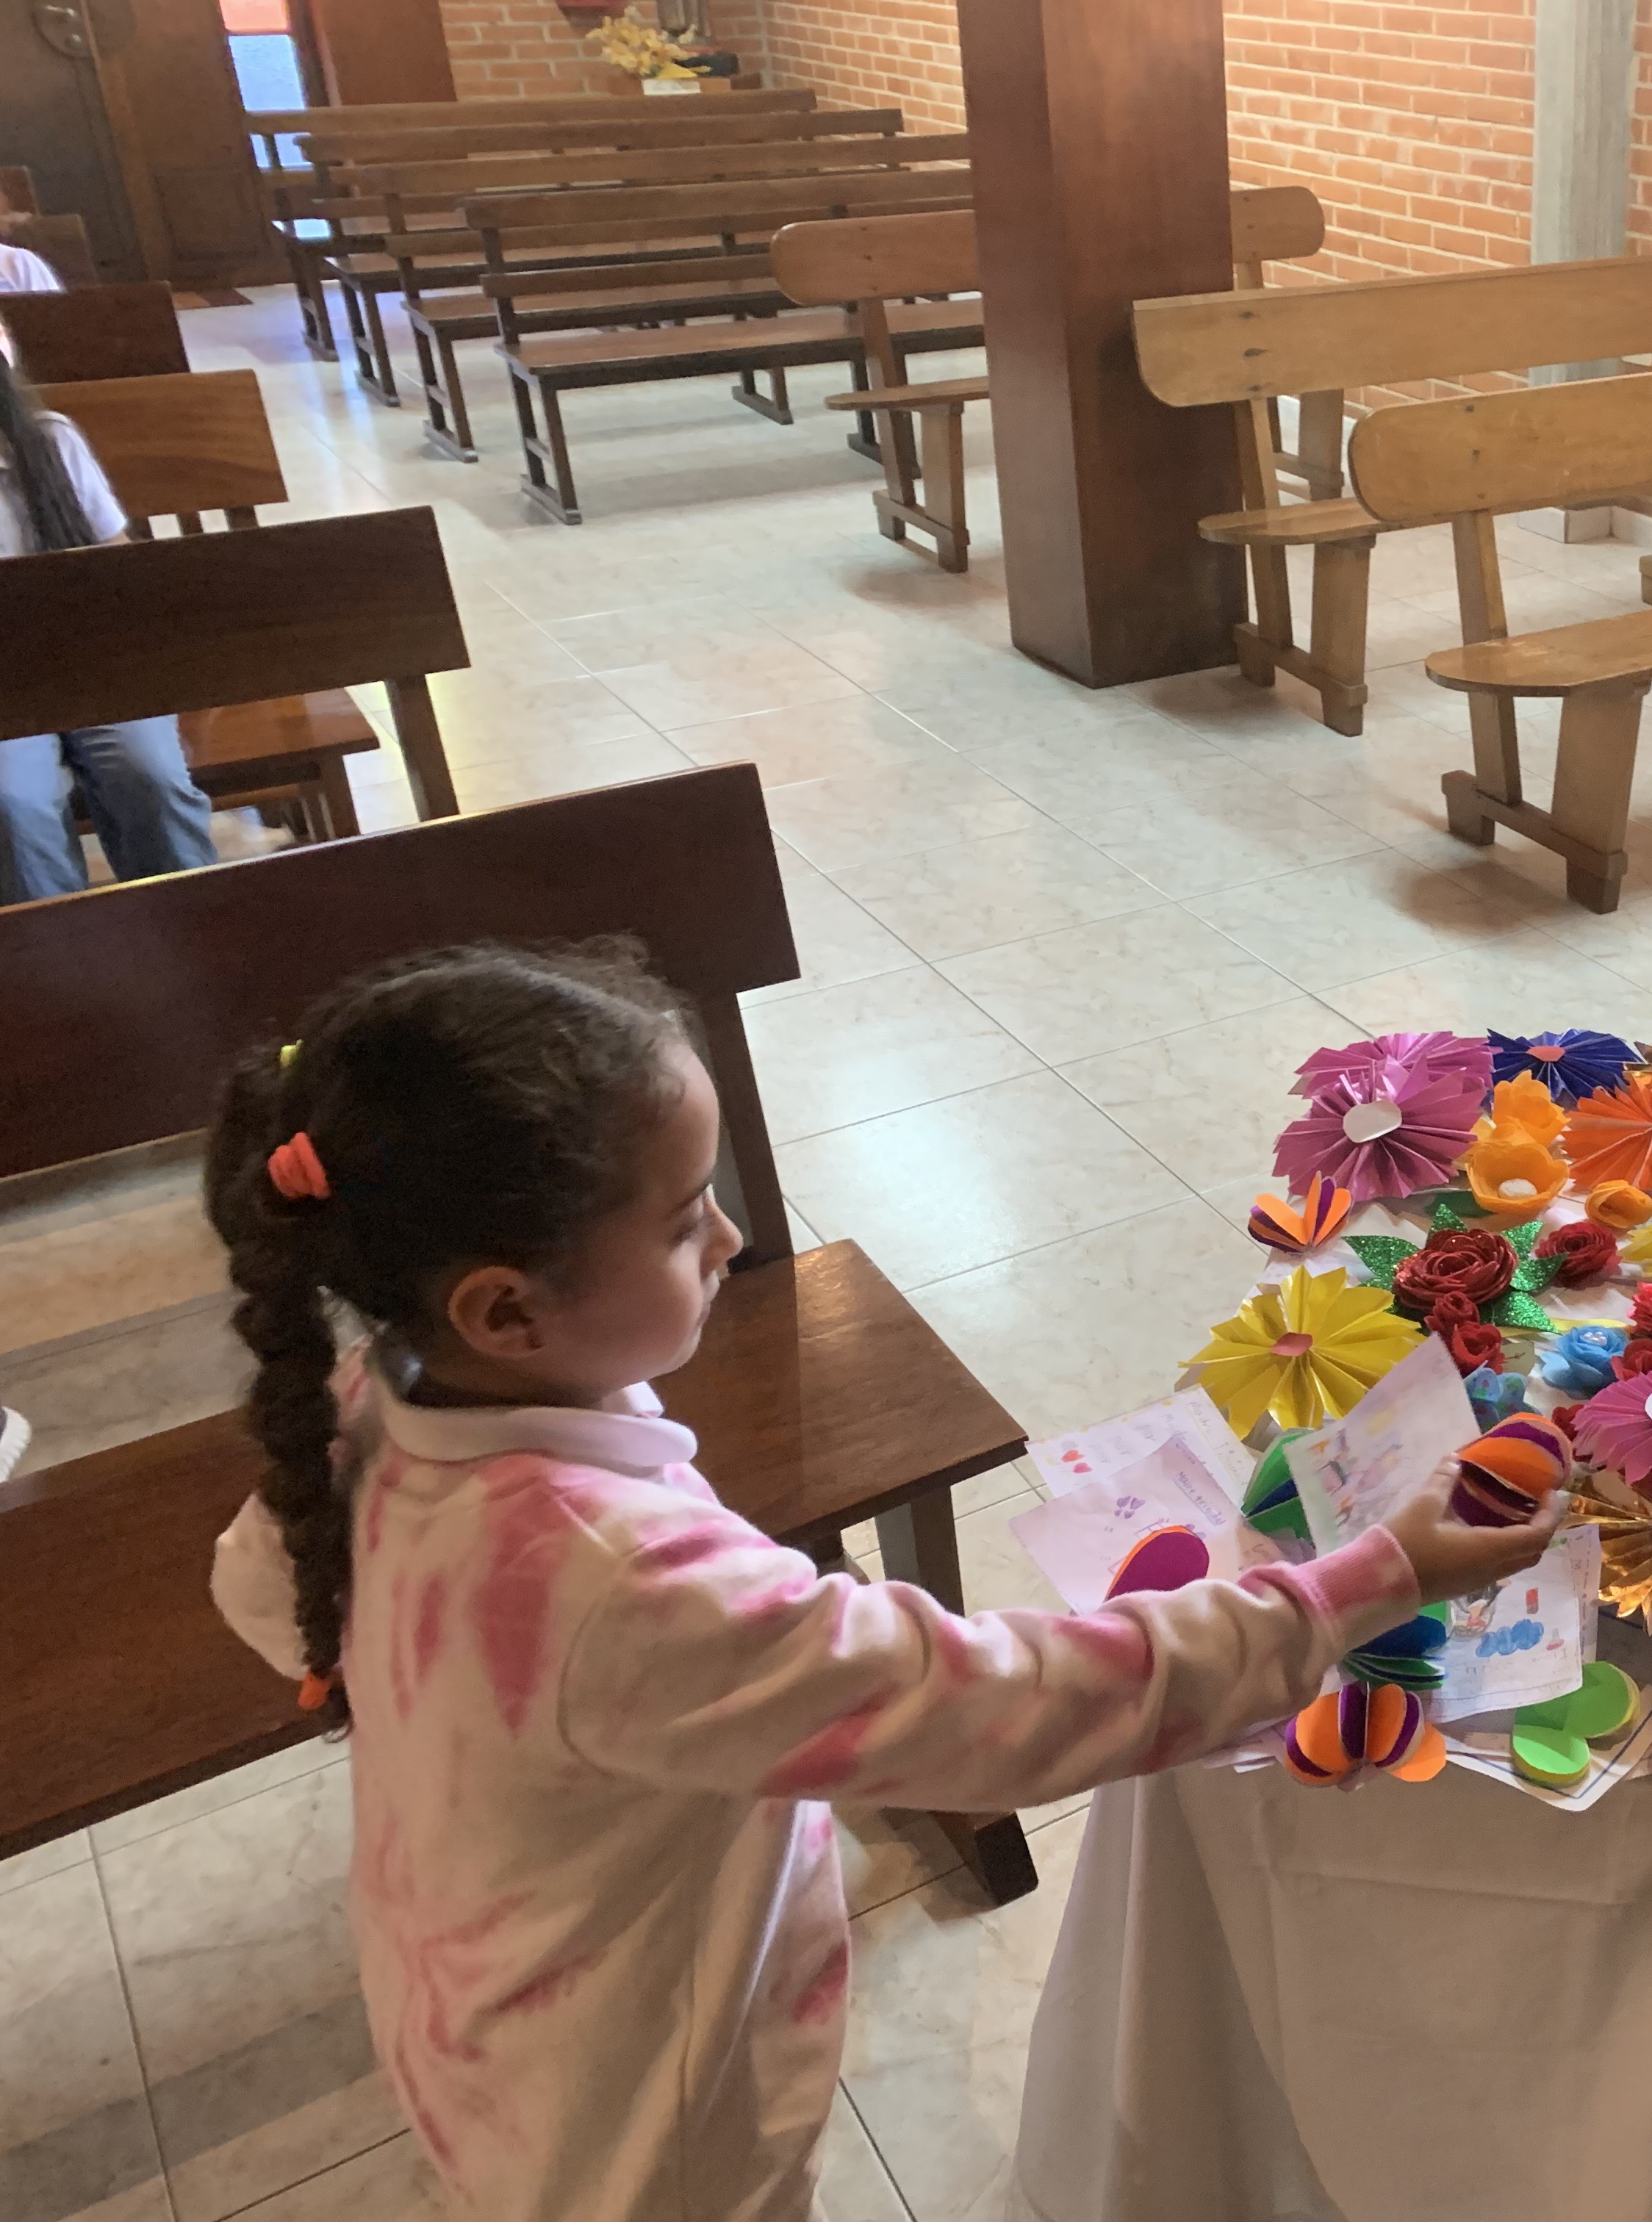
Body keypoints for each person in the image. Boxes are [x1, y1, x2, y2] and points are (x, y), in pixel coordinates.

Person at [203, 941, 1560, 2222]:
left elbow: (262, 1594)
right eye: (683, 1223)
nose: (731, 1237)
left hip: (473, 1988)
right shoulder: (619, 1579)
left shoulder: (375, 1396)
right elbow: (997, 1707)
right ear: (506, 1309)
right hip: (631, 2114)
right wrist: (1366, 1579)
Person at [0, 357, 219, 902]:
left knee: (150, 776)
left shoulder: (48, 442)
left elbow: (116, 570)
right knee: (14, 803)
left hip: (92, 663)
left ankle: (190, 920)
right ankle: (61, 955)